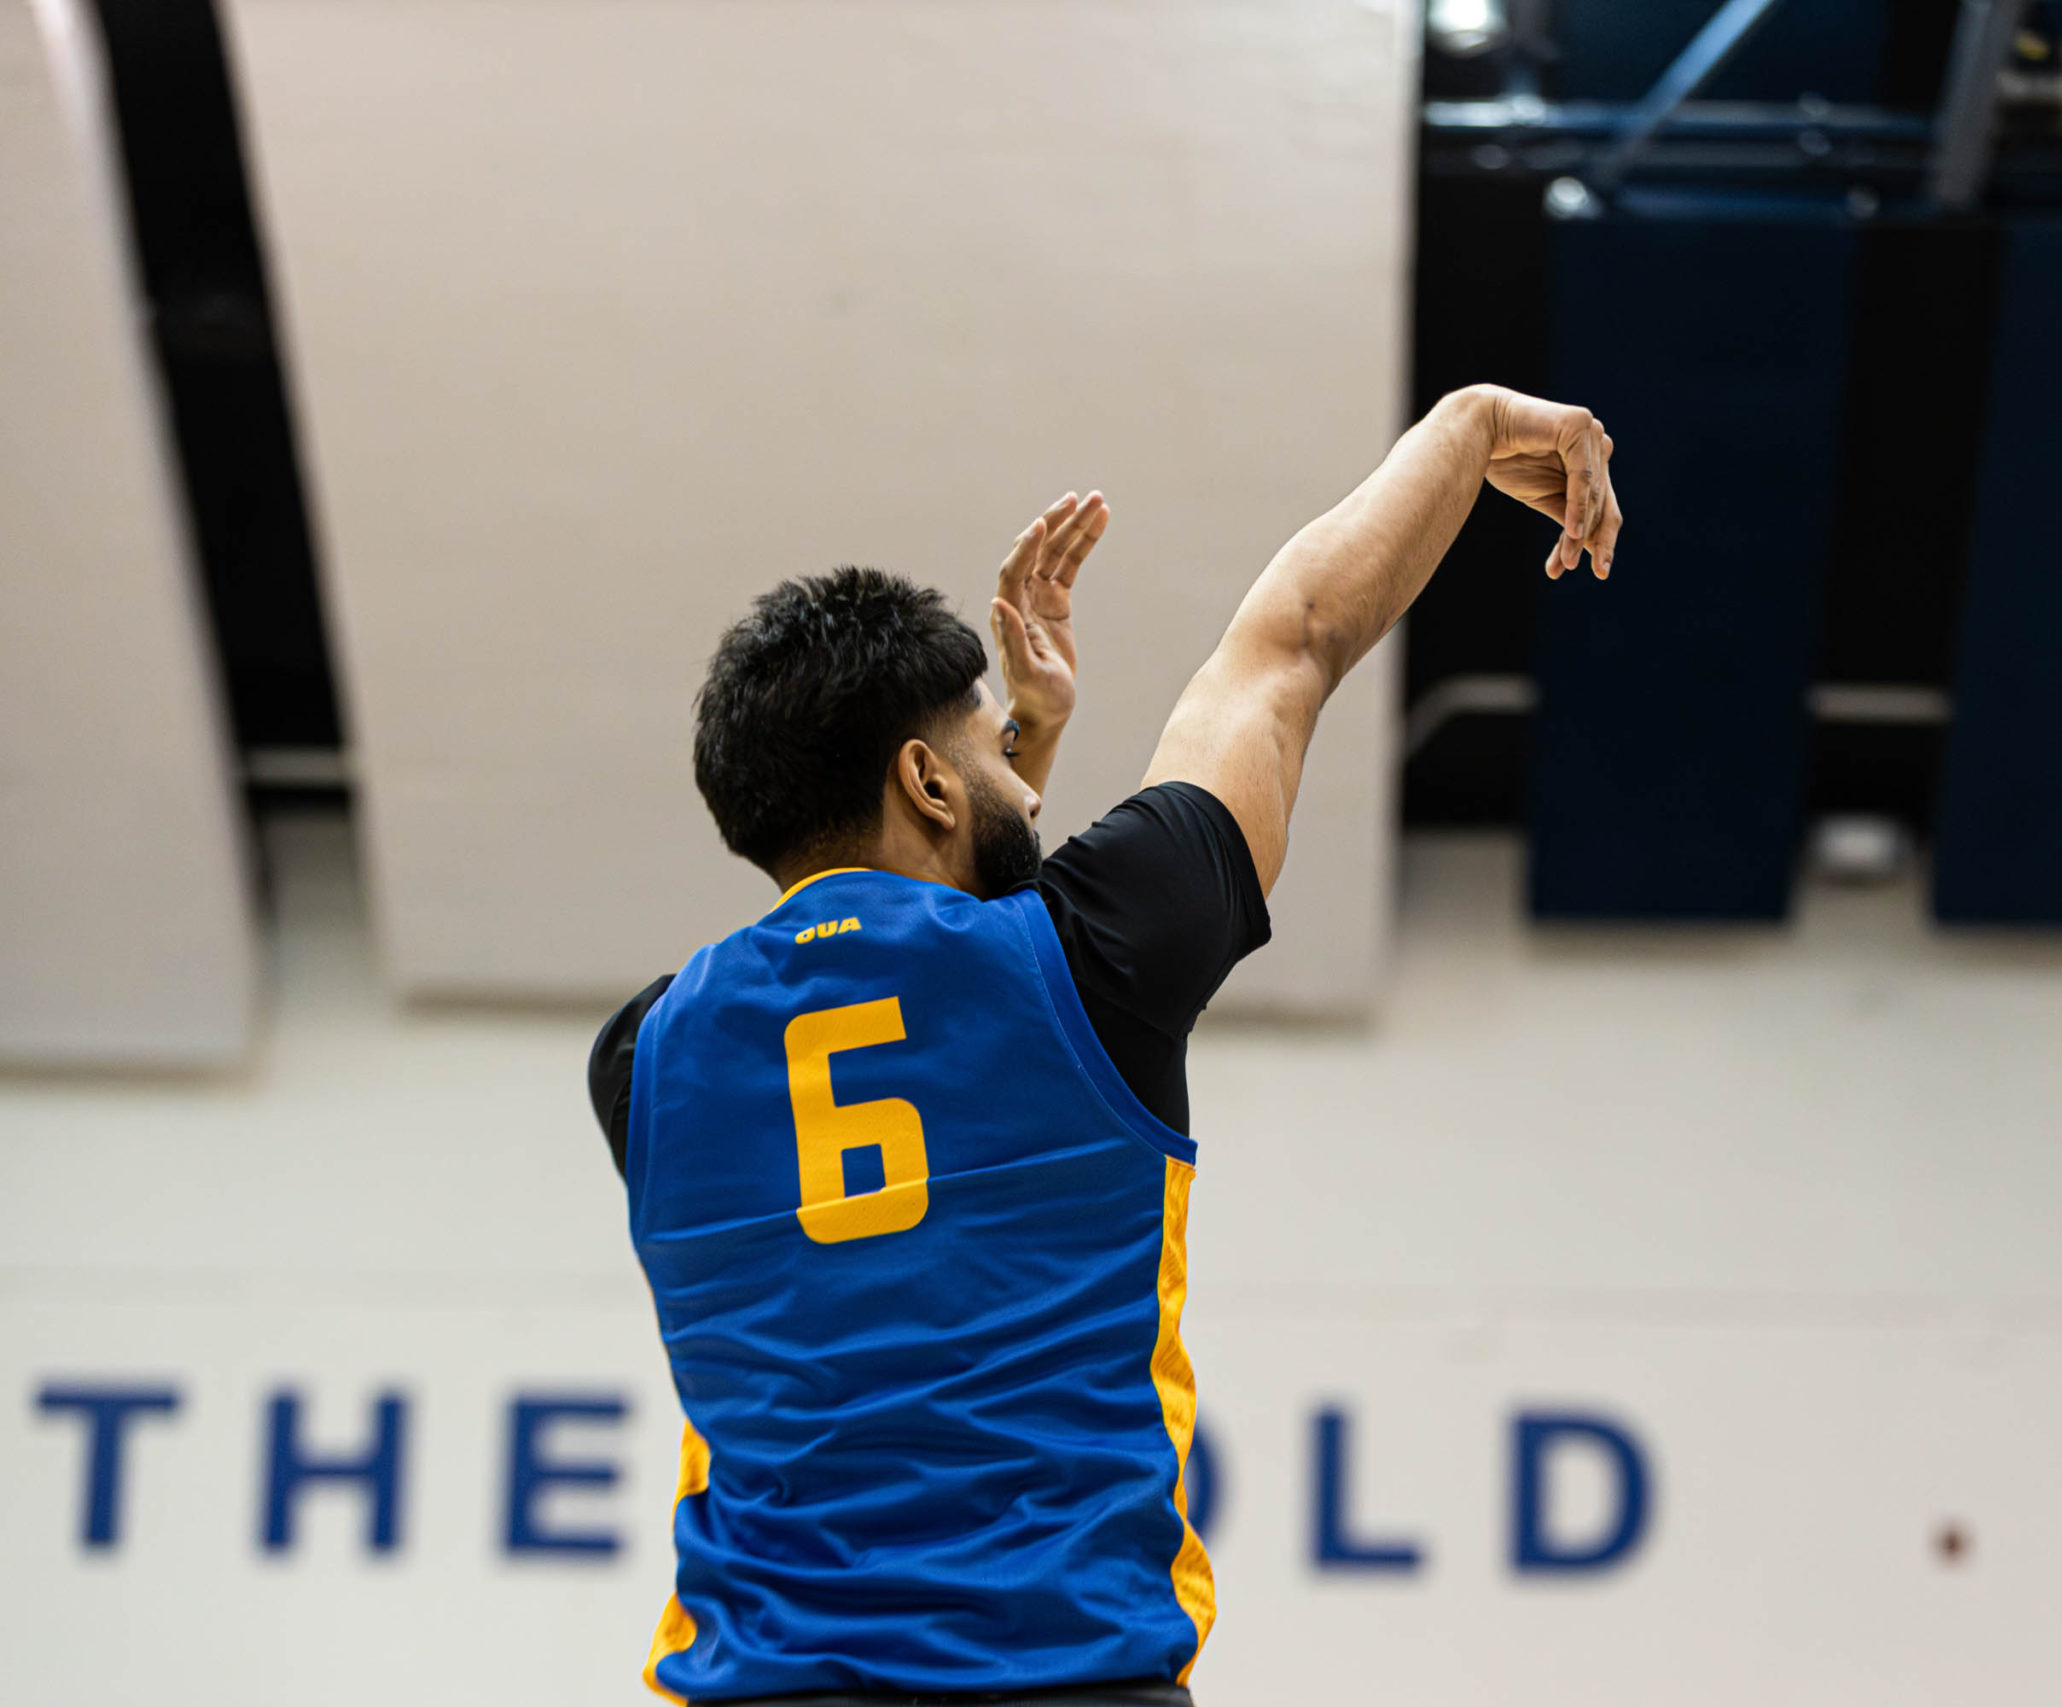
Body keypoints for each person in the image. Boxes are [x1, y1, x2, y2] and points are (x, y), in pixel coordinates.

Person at [586, 384, 1622, 1706]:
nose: (1027, 789)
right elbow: (1293, 646)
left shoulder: (644, 1062)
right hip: (1066, 1676)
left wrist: (1024, 732)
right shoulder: (1096, 958)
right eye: (993, 751)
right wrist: (1467, 428)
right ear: (926, 781)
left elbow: (907, 981)